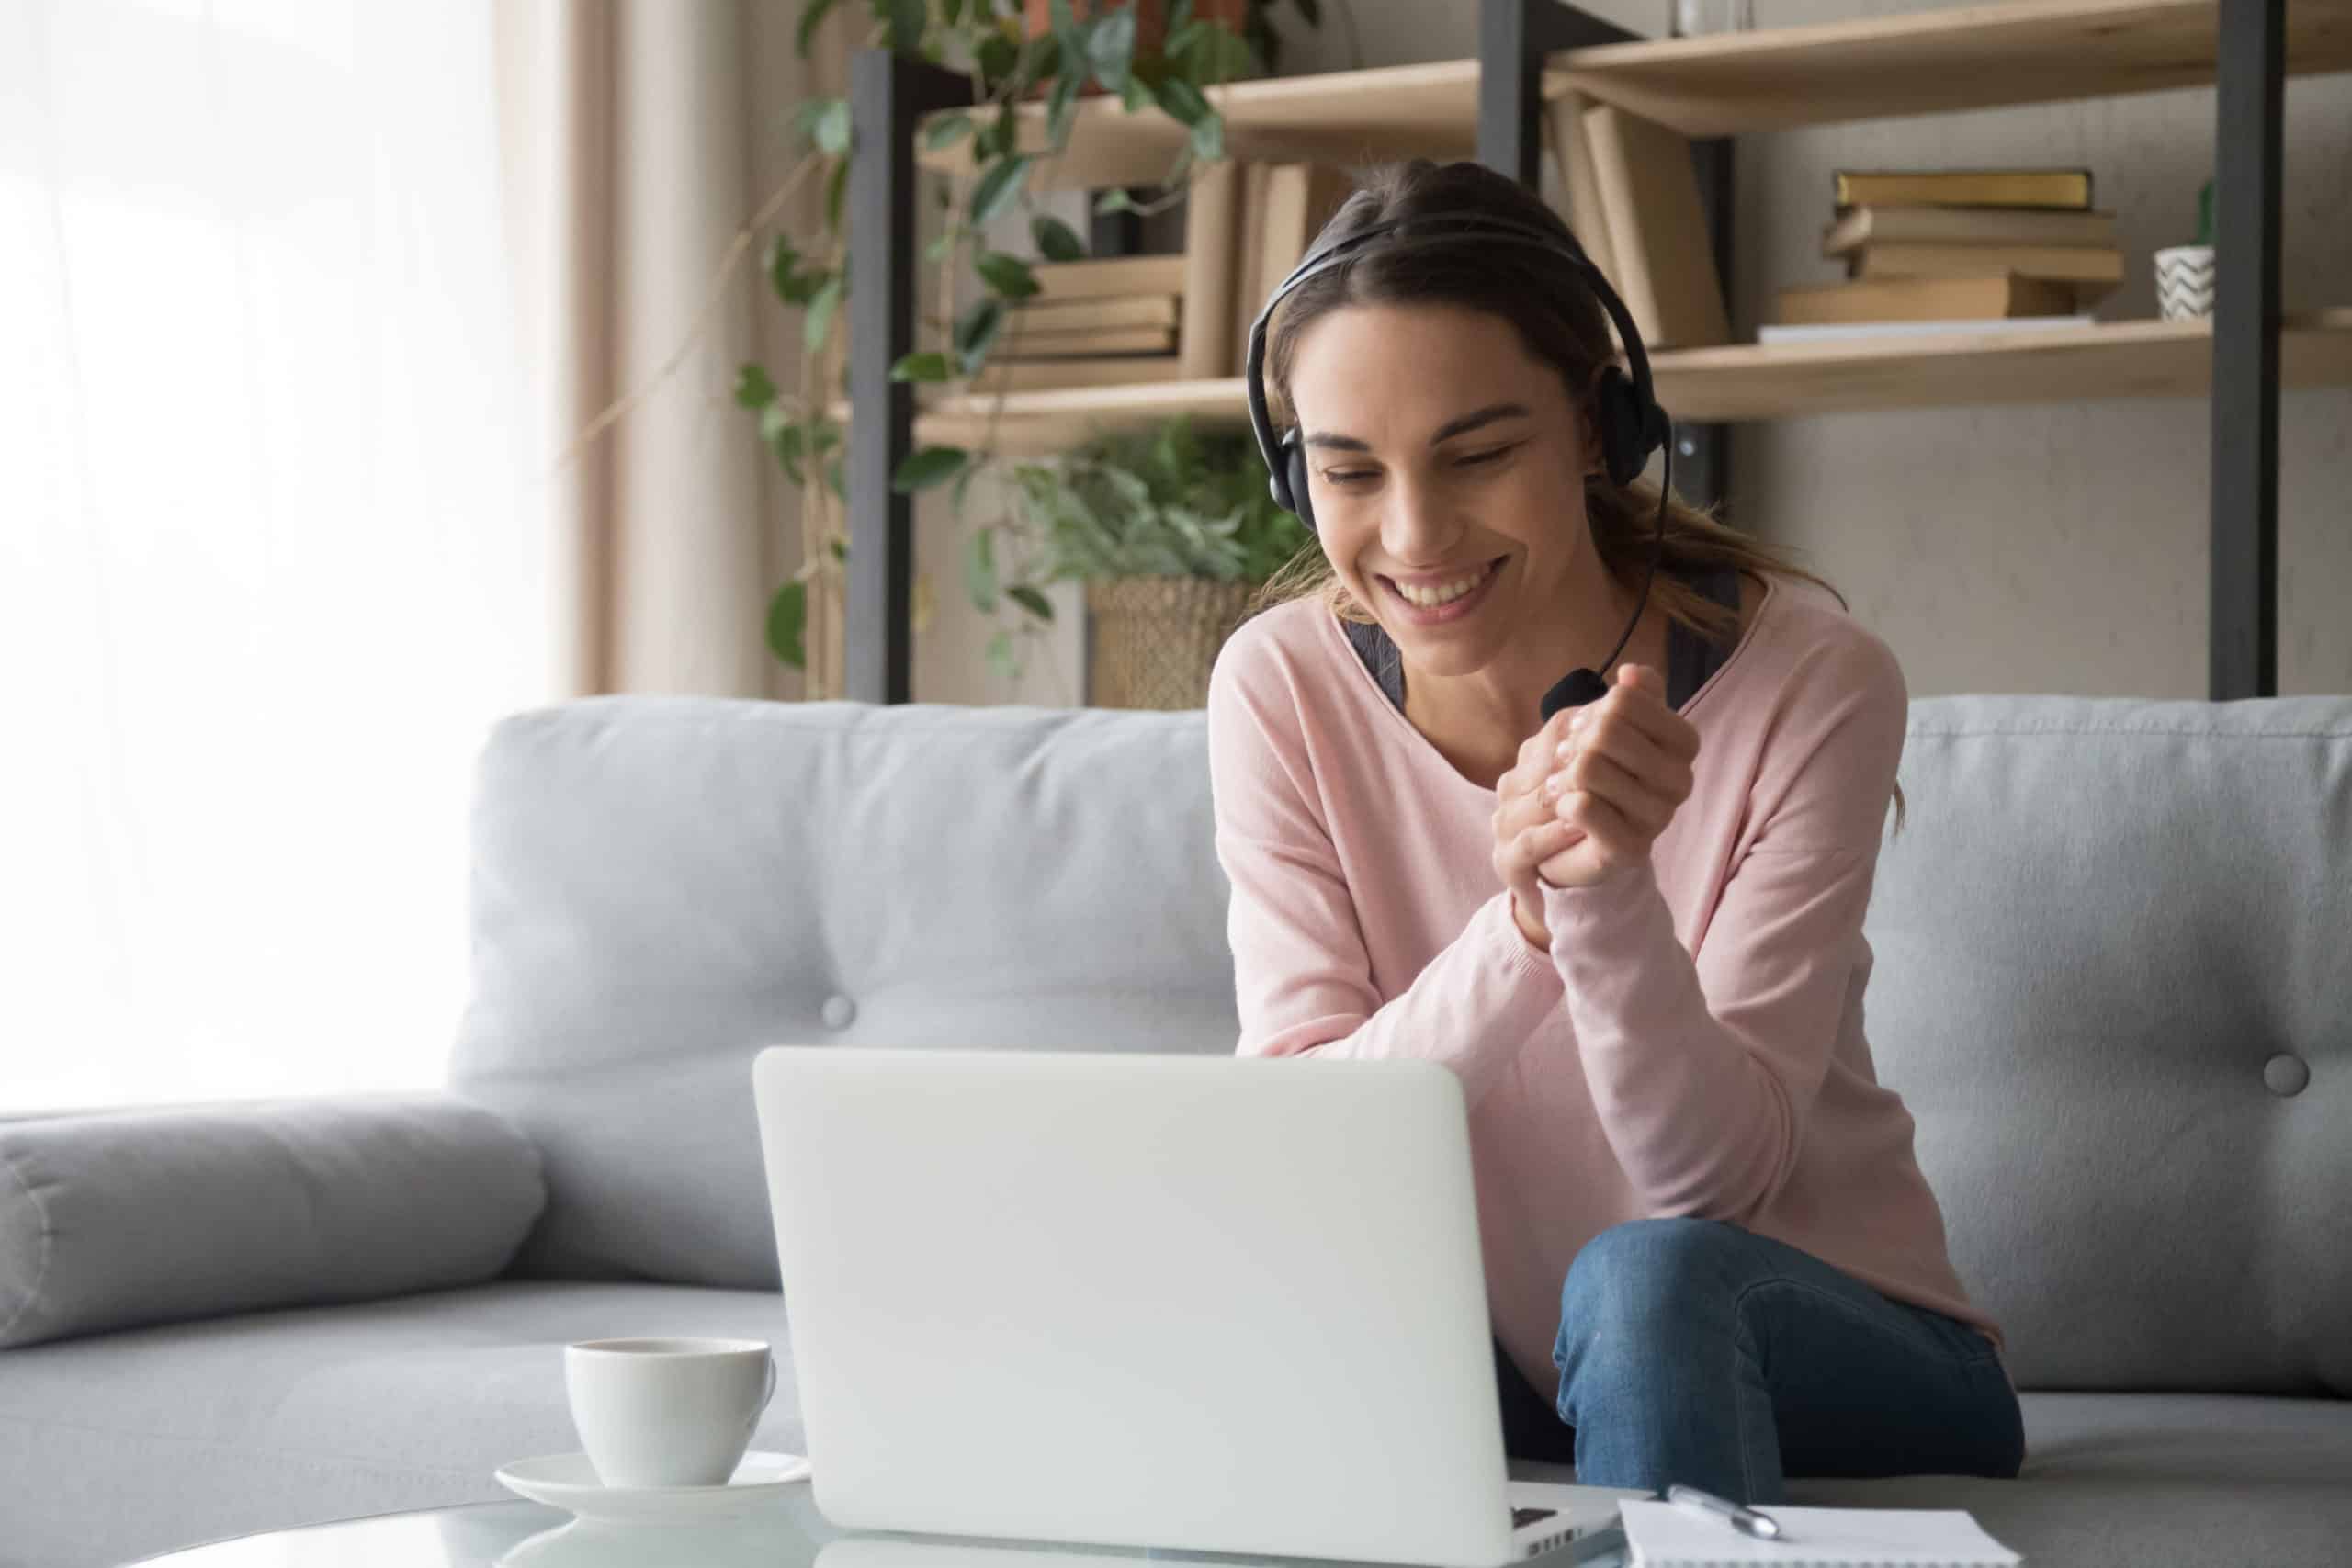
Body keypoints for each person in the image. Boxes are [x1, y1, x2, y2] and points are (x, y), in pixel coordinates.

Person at [1204, 157, 2026, 1505]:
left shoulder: (1811, 680)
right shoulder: (1278, 685)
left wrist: (1599, 896)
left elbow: (1715, 1175)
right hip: (1504, 1360)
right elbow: (1301, 1142)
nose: (1413, 537)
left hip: (1819, 1327)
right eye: (1351, 472)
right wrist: (1521, 921)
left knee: (1645, 1283)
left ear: (1595, 427)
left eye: (1477, 455)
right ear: (1297, 476)